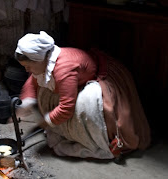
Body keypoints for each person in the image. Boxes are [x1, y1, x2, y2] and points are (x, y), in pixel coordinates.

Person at [14, 31, 151, 160]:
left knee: (87, 104)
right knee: (44, 91)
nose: (27, 70)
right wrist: (25, 104)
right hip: (76, 77)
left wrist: (47, 121)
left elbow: (66, 108)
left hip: (101, 74)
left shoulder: (63, 69)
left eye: (28, 66)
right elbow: (31, 81)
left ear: (39, 60)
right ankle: (66, 131)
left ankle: (88, 138)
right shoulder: (44, 61)